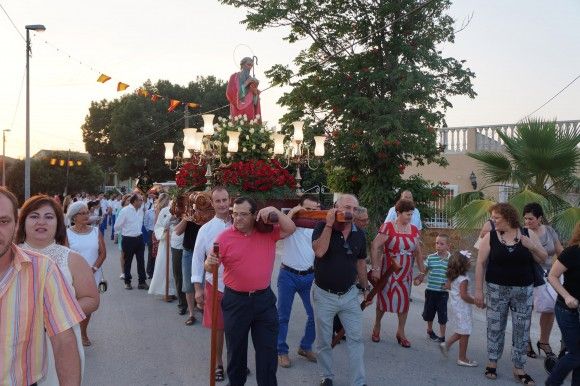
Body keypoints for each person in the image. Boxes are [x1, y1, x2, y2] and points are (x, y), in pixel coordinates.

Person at [205, 197, 296, 386]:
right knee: (236, 353)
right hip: (236, 301)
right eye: (235, 213)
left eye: (243, 214)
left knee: (267, 353)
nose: (237, 218)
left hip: (264, 301)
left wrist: (275, 211)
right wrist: (209, 263)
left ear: (255, 215)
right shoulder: (224, 237)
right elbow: (209, 266)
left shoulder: (267, 232)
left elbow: (290, 228)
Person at [0, 187, 85, 386]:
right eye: (35, 216)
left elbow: (64, 342)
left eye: (3, 221)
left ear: (14, 224)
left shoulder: (44, 269)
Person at [17, 194, 99, 385]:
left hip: (60, 339)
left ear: (58, 223)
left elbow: (91, 299)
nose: (41, 222)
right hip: (16, 339)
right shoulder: (10, 256)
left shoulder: (72, 259)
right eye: (34, 216)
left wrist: (54, 315)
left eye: (49, 217)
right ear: (23, 221)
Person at [474, 203, 547, 385]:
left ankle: (519, 368)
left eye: (496, 217)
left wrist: (532, 246)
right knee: (495, 326)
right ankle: (492, 362)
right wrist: (478, 291)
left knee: (521, 329)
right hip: (496, 290)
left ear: (507, 218)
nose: (493, 221)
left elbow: (543, 257)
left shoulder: (527, 234)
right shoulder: (490, 237)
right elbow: (480, 264)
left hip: (523, 290)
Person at [312, 194, 370, 386]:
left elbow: (361, 262)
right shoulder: (322, 227)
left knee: (355, 339)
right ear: (335, 207)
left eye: (354, 209)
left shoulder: (359, 234)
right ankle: (326, 376)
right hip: (324, 295)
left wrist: (365, 287)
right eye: (346, 207)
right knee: (323, 341)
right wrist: (329, 225)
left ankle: (358, 382)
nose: (350, 212)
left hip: (349, 295)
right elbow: (319, 251)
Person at [370, 198, 424, 348]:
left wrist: (421, 271)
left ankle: (401, 332)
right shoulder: (388, 227)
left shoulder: (413, 229)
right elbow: (375, 246)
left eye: (411, 214)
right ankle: (377, 326)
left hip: (405, 272)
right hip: (389, 269)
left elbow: (418, 252)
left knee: (404, 302)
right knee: (383, 300)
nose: (410, 217)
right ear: (398, 213)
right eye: (407, 214)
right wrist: (376, 268)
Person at [192, 186, 231, 382]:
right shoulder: (206, 230)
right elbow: (197, 259)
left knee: (238, 328)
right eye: (218, 201)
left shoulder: (241, 223)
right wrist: (198, 288)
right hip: (215, 284)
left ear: (230, 200)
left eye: (225, 200)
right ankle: (218, 363)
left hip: (238, 287)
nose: (223, 204)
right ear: (212, 203)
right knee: (218, 328)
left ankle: (235, 362)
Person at [277, 195, 319, 369]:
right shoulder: (290, 224)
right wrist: (294, 212)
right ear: (299, 208)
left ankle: (305, 346)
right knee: (283, 316)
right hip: (288, 275)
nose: (311, 213)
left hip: (309, 276)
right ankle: (281, 351)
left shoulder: (319, 227)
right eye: (307, 209)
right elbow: (278, 229)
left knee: (315, 315)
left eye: (315, 210)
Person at [523, 202, 564, 358]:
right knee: (526, 309)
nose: (527, 222)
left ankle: (544, 341)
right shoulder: (522, 233)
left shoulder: (550, 231)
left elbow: (560, 251)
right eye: (525, 219)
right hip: (529, 276)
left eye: (531, 219)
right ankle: (525, 341)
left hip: (550, 276)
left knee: (550, 308)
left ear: (539, 218)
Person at [66, 201, 107, 347]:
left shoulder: (96, 231)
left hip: (93, 275)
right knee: (74, 305)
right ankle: (73, 333)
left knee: (88, 305)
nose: (86, 215)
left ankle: (83, 333)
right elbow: (65, 255)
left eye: (87, 212)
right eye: (82, 213)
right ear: (74, 217)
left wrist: (94, 269)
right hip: (73, 276)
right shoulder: (67, 233)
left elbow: (102, 253)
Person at [545, 223, 580, 386]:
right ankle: (552, 382)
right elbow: (552, 276)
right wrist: (567, 297)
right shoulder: (572, 252)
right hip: (566, 310)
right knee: (576, 354)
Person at [439, 250, 477, 367]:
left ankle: (447, 344)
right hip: (463, 308)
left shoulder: (452, 276)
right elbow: (464, 295)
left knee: (462, 330)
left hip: (456, 307)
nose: (470, 262)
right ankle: (462, 358)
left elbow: (448, 286)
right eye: (469, 261)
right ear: (463, 265)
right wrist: (476, 301)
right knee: (465, 332)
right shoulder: (463, 279)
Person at [414, 233, 450, 343]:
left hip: (442, 292)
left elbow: (454, 273)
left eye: (441, 244)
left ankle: (442, 336)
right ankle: (429, 330)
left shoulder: (451, 259)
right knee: (429, 313)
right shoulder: (431, 258)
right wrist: (419, 279)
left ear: (448, 246)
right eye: (437, 243)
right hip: (430, 291)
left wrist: (449, 283)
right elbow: (424, 270)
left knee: (442, 314)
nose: (438, 245)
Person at [174, 192, 203, 325]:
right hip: (189, 252)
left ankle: (205, 309)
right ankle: (191, 314)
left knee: (205, 282)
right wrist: (186, 219)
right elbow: (177, 231)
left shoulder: (209, 216)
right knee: (188, 284)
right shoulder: (188, 215)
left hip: (205, 254)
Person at [114, 193, 148, 290]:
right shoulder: (125, 211)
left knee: (141, 261)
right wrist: (125, 231)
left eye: (142, 200)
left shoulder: (141, 210)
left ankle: (142, 282)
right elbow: (117, 226)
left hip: (139, 238)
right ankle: (127, 282)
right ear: (134, 201)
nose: (142, 202)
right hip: (128, 239)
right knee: (128, 261)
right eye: (140, 200)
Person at [148, 197, 178, 299]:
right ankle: (165, 291)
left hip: (177, 241)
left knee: (174, 267)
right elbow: (158, 226)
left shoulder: (183, 210)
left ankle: (174, 291)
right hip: (166, 242)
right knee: (165, 266)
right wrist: (169, 220)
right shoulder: (165, 211)